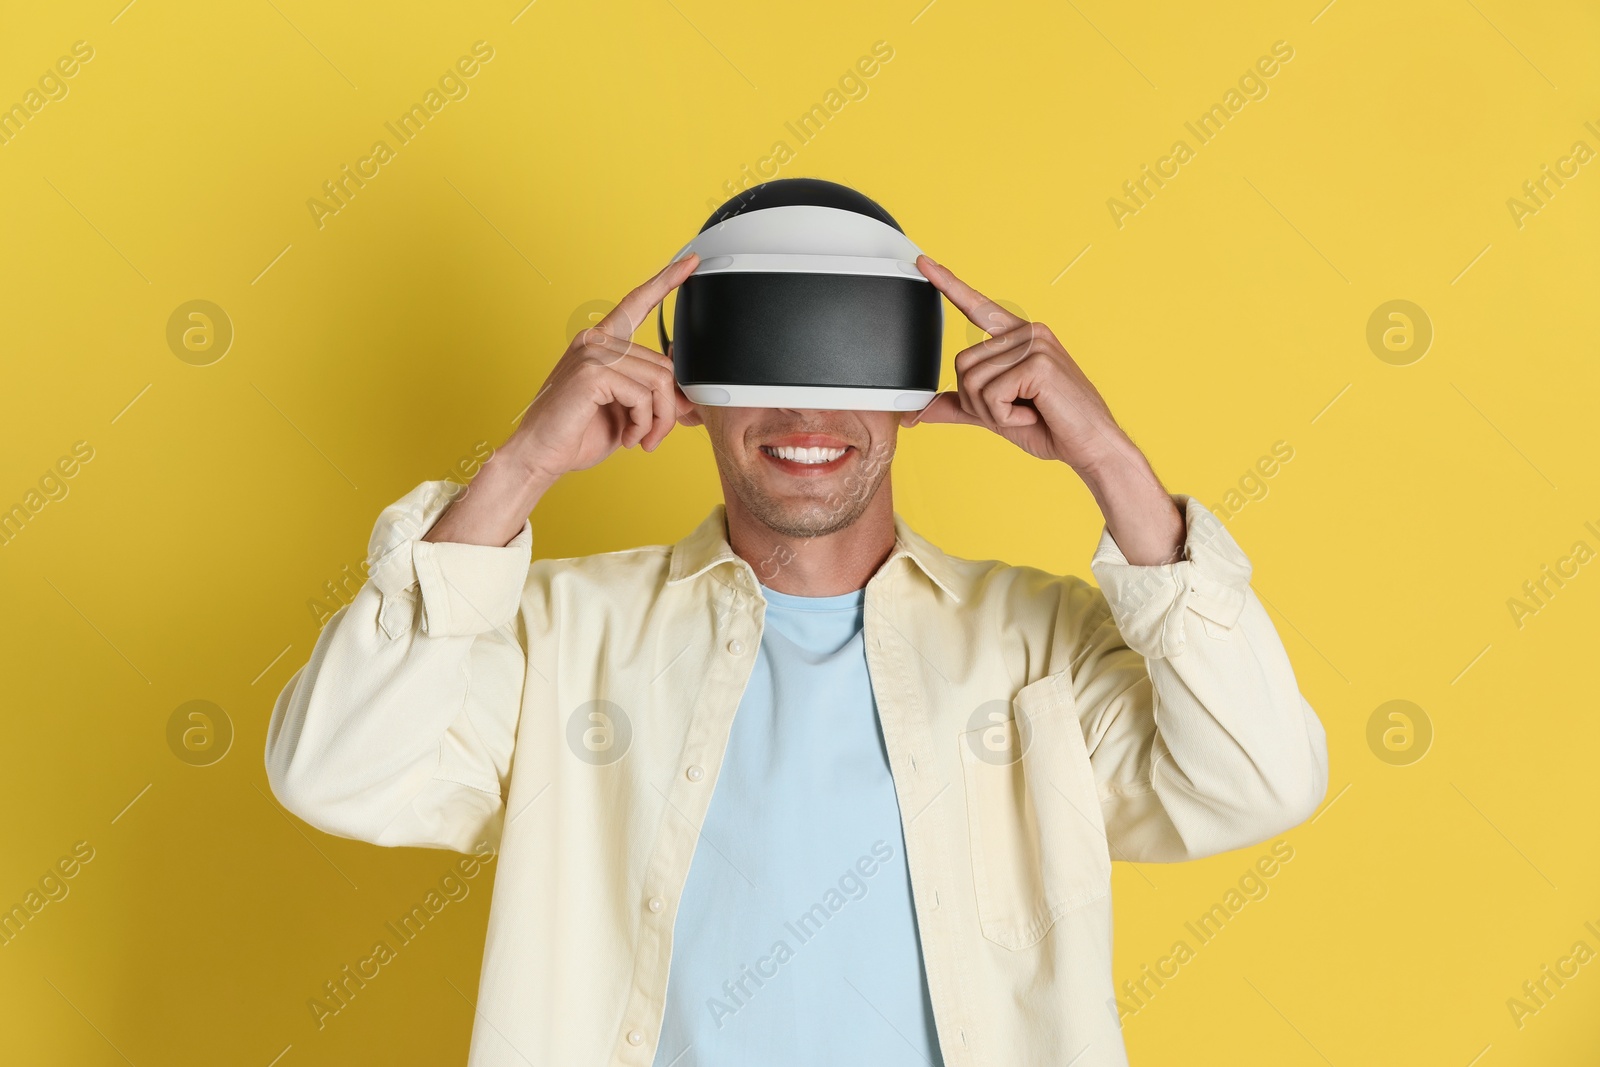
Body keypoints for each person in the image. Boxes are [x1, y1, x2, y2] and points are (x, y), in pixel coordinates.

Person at [265, 244, 1329, 1067]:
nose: (808, 411)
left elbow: (1260, 778)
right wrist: (517, 469)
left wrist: (1109, 461)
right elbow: (334, 772)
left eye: (849, 361)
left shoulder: (1036, 644)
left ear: (910, 392)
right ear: (695, 388)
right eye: (768, 365)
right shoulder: (559, 637)